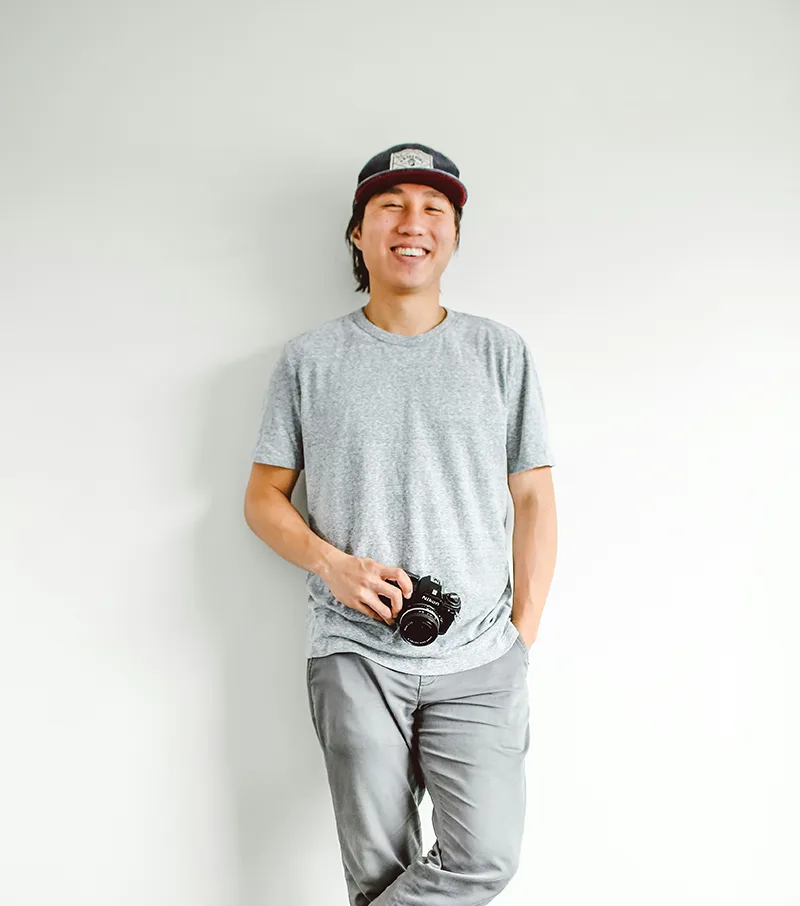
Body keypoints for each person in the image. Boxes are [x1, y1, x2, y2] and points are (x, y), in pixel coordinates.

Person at [244, 142, 558, 905]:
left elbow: (535, 501)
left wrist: (521, 636)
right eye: (390, 206)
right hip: (354, 653)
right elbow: (261, 498)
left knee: (483, 858)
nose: (411, 223)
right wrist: (333, 565)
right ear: (358, 232)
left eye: (433, 209)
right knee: (378, 872)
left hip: (482, 655)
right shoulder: (309, 359)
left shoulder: (499, 353)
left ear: (453, 233)